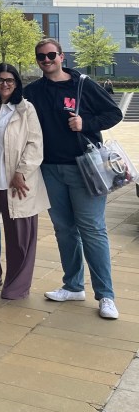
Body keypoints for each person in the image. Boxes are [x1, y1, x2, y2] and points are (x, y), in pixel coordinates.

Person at [24, 37, 123, 320]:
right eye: (41, 56)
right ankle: (73, 285)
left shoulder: (83, 85)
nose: (46, 60)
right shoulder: (34, 91)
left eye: (51, 55)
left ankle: (106, 295)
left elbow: (113, 112)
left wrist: (86, 124)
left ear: (62, 56)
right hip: (50, 169)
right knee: (64, 229)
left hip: (85, 168)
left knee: (92, 230)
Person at [0, 64, 48, 298]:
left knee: (20, 236)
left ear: (16, 83)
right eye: (0, 80)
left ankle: (17, 285)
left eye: (10, 80)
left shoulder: (25, 109)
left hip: (17, 181)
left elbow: (35, 143)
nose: (5, 84)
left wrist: (22, 171)